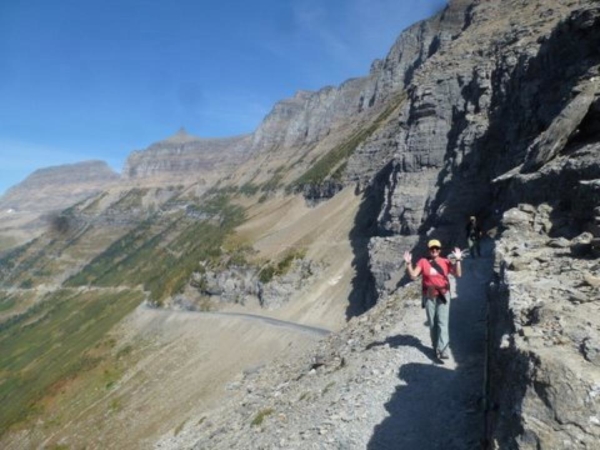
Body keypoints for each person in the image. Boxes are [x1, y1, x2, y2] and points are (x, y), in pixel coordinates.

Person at [403, 239, 462, 361]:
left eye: (436, 248)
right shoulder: (423, 261)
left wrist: (458, 260)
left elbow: (458, 274)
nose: (434, 250)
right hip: (429, 293)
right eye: (432, 249)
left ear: (440, 250)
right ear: (429, 250)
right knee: (433, 323)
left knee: (442, 322)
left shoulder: (445, 261)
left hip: (444, 294)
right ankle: (436, 347)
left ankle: (443, 349)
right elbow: (414, 276)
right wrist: (408, 264)